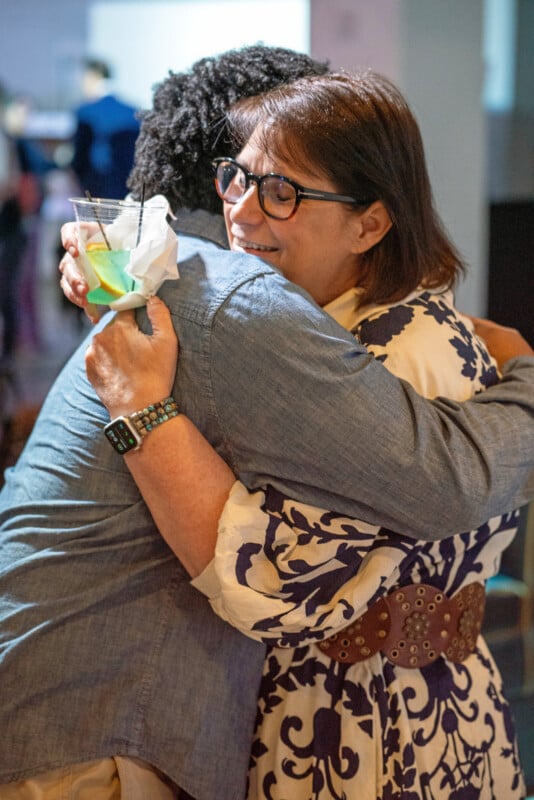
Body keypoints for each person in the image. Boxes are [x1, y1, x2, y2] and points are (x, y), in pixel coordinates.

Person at [1, 46, 534, 800]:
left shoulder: (245, 304)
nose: (245, 210)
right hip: (150, 727)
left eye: (282, 188)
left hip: (381, 722)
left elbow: (298, 578)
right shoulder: (234, 302)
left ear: (371, 221)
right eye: (240, 177)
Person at [70, 58, 140, 199]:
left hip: (97, 186)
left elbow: (80, 158)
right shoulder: (133, 111)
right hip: (128, 186)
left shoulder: (86, 113)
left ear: (92, 76)